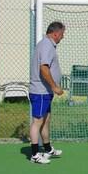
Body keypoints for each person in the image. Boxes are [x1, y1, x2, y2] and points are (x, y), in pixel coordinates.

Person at [29, 21, 66, 164]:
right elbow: (44, 68)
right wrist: (54, 86)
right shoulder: (46, 46)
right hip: (41, 91)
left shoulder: (48, 45)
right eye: (62, 34)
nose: (63, 37)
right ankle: (34, 154)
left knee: (46, 119)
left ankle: (47, 148)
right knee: (37, 121)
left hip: (45, 92)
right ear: (55, 33)